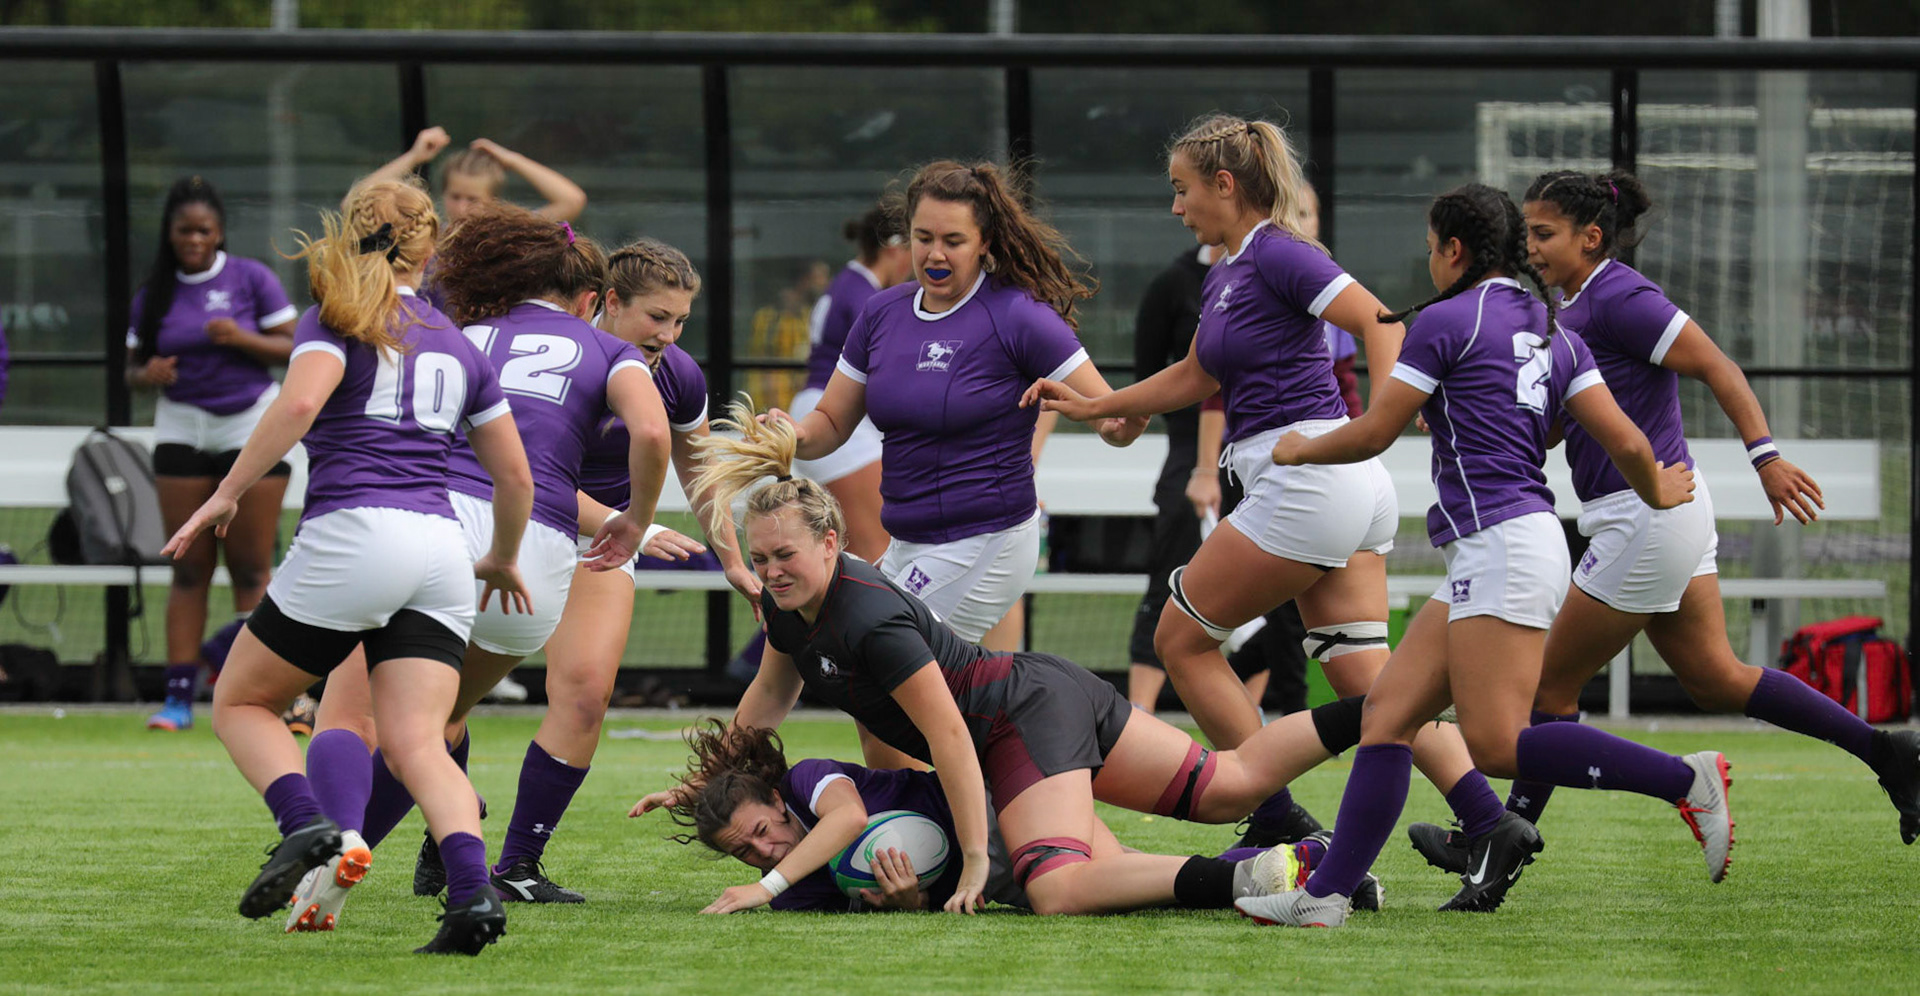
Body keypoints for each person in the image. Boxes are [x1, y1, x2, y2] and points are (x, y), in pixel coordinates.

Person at [630, 399, 1388, 917]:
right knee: (1229, 787)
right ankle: (1387, 711)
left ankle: (1264, 875)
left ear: (832, 542)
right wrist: (706, 786)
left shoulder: (867, 615)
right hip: (1044, 692)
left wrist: (972, 860)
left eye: (785, 554)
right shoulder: (790, 614)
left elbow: (953, 738)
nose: (771, 572)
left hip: (1014, 723)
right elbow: (764, 705)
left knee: (1056, 886)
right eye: (760, 559)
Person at [1235, 184, 1725, 930]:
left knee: (1496, 744)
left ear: (1455, 252)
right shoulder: (1553, 327)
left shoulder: (1445, 321)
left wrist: (1300, 446)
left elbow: (1373, 432)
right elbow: (1626, 439)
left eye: (1431, 248)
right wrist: (1657, 490)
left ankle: (1683, 781)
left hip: (1503, 548)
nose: (1428, 261)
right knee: (1389, 717)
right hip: (1514, 543)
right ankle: (1324, 899)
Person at [1407, 170, 1919, 869]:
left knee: (1548, 690)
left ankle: (1492, 847)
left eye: (1545, 233)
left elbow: (1718, 365)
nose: (1531, 245)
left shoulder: (1622, 296)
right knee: (1715, 677)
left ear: (1591, 237)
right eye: (1527, 231)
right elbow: (1562, 423)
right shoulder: (1559, 306)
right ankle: (1886, 749)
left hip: (1644, 517)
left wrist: (1765, 456)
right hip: (1654, 517)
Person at [1024, 115, 1488, 850]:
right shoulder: (1230, 267)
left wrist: (1379, 421)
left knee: (1180, 642)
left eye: (1182, 190)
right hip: (1332, 486)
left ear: (1225, 184)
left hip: (1309, 481)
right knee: (1370, 686)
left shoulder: (1277, 251)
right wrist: (1095, 404)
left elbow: (1379, 322)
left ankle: (1273, 815)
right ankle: (1488, 820)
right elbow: (1195, 375)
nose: (1175, 208)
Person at [161, 177, 534, 955]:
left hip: (355, 532)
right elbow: (515, 477)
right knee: (418, 743)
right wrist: (498, 556)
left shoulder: (336, 318)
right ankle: (471, 897)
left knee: (242, 702)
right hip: (439, 550)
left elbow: (298, 406)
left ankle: (307, 826)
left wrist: (228, 495)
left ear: (349, 233)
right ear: (429, 247)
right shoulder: (458, 342)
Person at [300, 205, 671, 915]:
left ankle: (333, 847)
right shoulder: (610, 351)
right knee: (432, 728)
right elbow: (650, 431)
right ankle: (455, 870)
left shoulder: (462, 335)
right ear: (590, 301)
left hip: (443, 527)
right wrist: (637, 524)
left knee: (352, 719)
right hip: (541, 563)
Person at [457, 236, 755, 904]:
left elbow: (701, 471)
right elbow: (529, 476)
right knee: (450, 694)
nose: (669, 335)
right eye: (657, 317)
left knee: (588, 691)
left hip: (599, 545)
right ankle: (442, 833)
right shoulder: (565, 355)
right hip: (506, 527)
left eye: (681, 321)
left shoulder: (676, 374)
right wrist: (639, 527)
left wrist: (735, 563)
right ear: (608, 301)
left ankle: (518, 865)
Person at [774, 160, 1144, 666]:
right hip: (908, 541)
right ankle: (999, 736)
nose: (935, 253)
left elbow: (1111, 418)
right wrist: (788, 436)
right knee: (873, 678)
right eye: (923, 237)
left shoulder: (1019, 315)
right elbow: (831, 425)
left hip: (987, 541)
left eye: (954, 240)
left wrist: (1131, 416)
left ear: (985, 242)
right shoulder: (881, 313)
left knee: (881, 663)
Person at [646, 721, 1323, 915]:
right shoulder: (802, 899)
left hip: (1006, 805)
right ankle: (1315, 872)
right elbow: (891, 909)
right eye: (747, 856)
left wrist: (763, 888)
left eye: (763, 831)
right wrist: (905, 904)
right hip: (994, 885)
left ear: (775, 803)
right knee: (1131, 888)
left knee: (1121, 879)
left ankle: (1296, 870)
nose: (764, 854)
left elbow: (847, 821)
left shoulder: (808, 783)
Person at [127, 176, 300, 733]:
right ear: (171, 234)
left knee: (251, 565)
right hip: (181, 421)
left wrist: (242, 339)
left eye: (203, 230)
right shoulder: (153, 292)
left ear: (219, 232)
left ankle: (271, 693)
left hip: (250, 421)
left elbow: (299, 345)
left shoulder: (252, 278)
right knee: (187, 565)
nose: (194, 240)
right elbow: (131, 372)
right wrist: (145, 375)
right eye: (184, 231)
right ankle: (178, 699)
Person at [790, 203, 911, 563]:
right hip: (834, 416)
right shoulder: (866, 298)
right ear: (894, 248)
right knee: (877, 555)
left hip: (823, 409)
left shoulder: (847, 284)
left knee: (857, 560)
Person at [368, 126, 587, 226]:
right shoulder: (423, 235)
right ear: (442, 194)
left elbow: (572, 201)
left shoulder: (509, 235)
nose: (462, 208)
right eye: (455, 197)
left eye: (473, 199)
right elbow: (359, 202)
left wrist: (512, 159)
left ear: (493, 201)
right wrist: (414, 156)